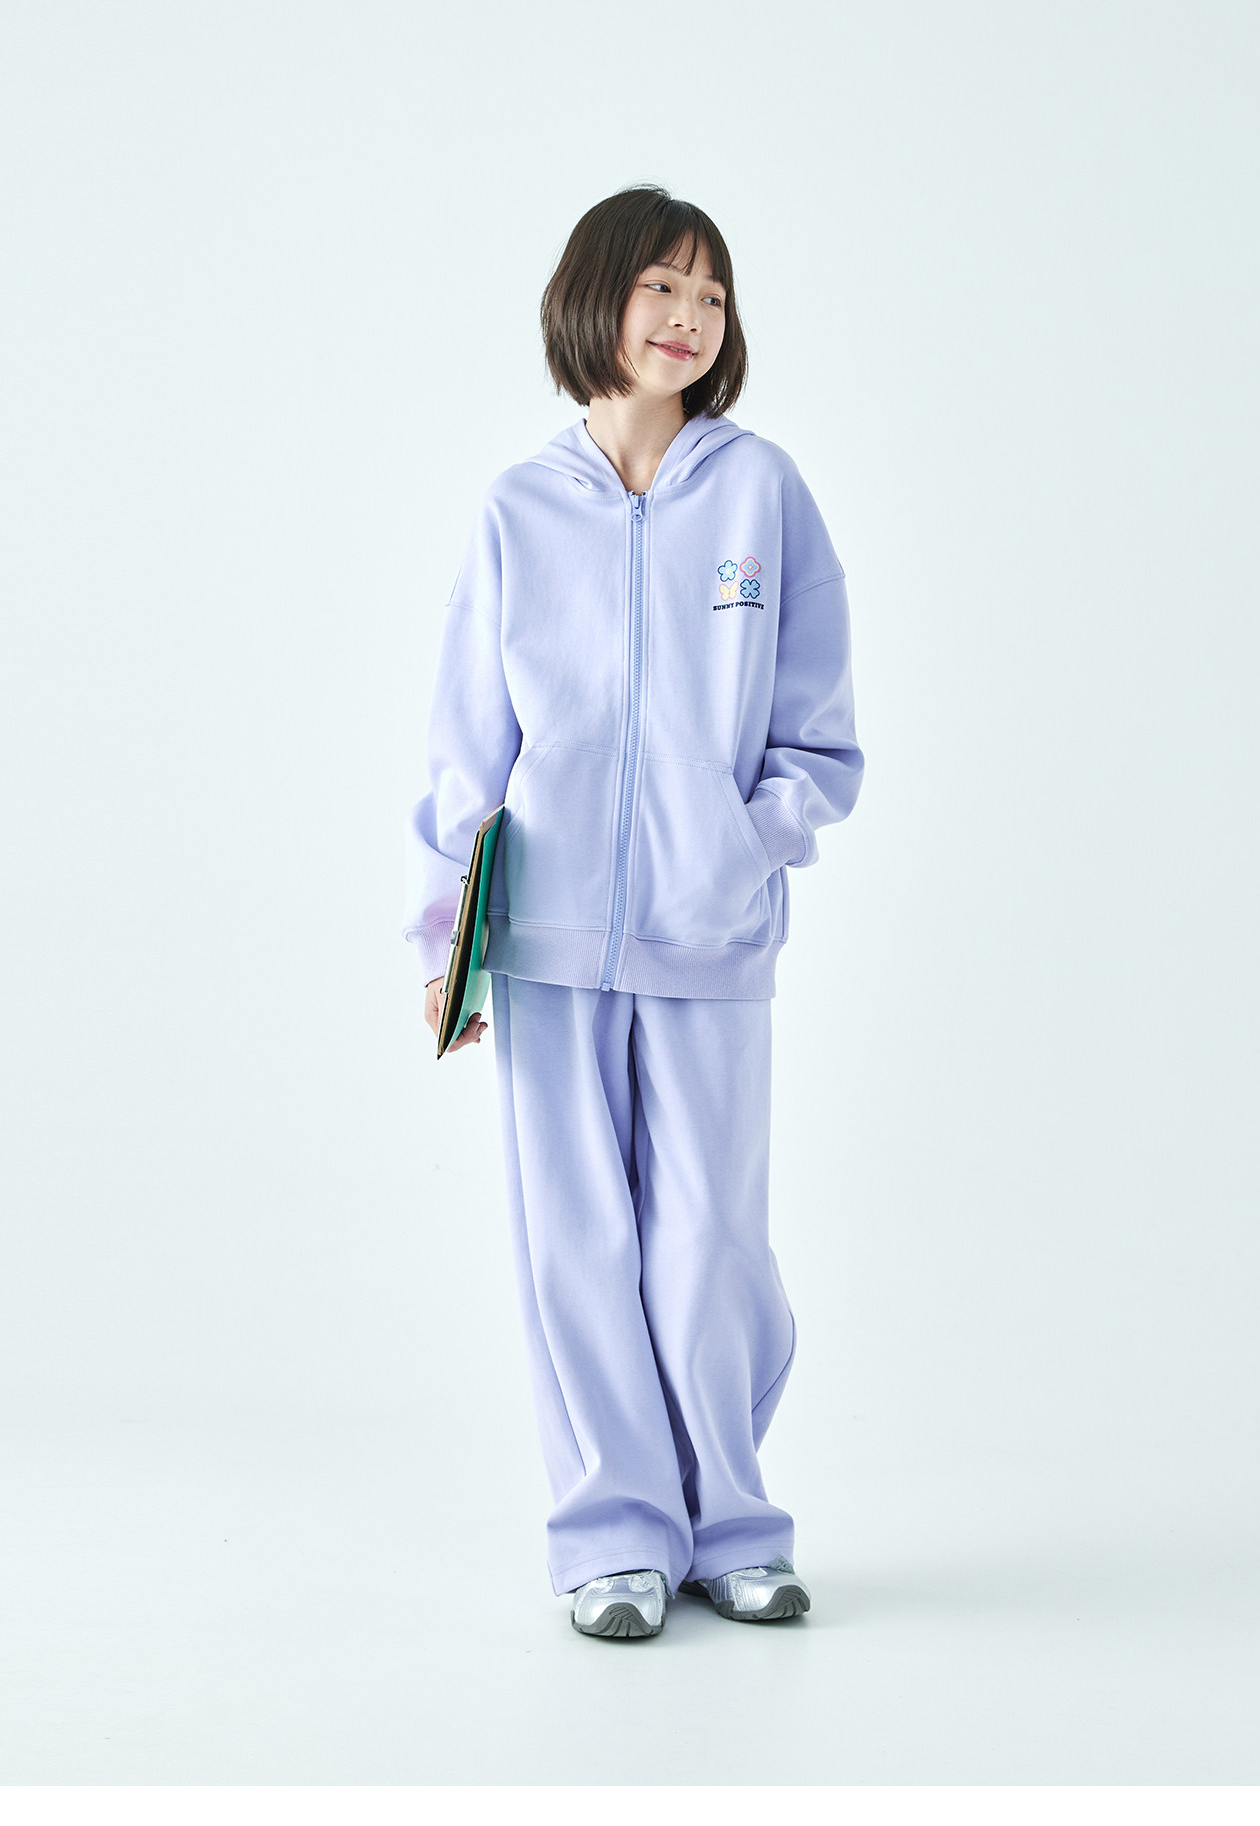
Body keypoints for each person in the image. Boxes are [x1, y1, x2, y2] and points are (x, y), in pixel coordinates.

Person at [401, 184, 864, 1639]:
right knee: (577, 1243)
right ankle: (613, 1535)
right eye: (660, 285)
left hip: (711, 935)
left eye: (710, 295)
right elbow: (467, 741)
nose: (687, 317)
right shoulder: (519, 507)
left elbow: (820, 738)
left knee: (713, 1242)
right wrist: (446, 938)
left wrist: (743, 844)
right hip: (544, 938)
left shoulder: (763, 493)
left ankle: (730, 1521)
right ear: (592, 298)